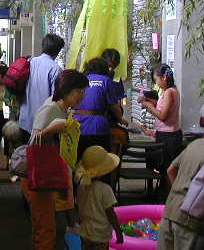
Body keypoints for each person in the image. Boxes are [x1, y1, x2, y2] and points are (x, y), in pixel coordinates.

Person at [21, 69, 87, 250]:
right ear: (65, 90)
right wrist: (51, 129)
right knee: (45, 230)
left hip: (49, 175)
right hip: (38, 176)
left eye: (83, 91)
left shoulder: (63, 108)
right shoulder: (51, 108)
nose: (82, 96)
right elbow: (33, 143)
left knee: (49, 228)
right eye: (78, 91)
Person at [157, 108, 204, 250]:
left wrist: (179, 193)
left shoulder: (195, 144)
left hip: (170, 211)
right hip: (191, 221)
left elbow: (170, 170)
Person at [138, 64, 181, 189]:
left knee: (166, 170)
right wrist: (148, 101)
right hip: (170, 135)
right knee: (166, 169)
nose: (156, 83)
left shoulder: (168, 92)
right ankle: (166, 195)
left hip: (168, 137)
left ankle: (169, 196)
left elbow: (163, 116)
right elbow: (162, 106)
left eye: (156, 79)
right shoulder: (172, 90)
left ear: (164, 77)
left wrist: (149, 106)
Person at [75, 57, 127, 160]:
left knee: (80, 160)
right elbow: (114, 106)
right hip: (97, 126)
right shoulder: (106, 80)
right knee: (100, 160)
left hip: (77, 125)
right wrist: (120, 119)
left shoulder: (80, 80)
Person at [18, 34, 65, 143]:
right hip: (42, 126)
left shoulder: (29, 62)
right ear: (58, 51)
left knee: (24, 152)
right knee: (39, 153)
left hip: (24, 120)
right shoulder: (55, 69)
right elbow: (55, 99)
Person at [75, 146, 124, 250]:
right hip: (100, 236)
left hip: (85, 233)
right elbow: (110, 213)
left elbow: (79, 207)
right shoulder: (105, 189)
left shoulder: (81, 187)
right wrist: (118, 231)